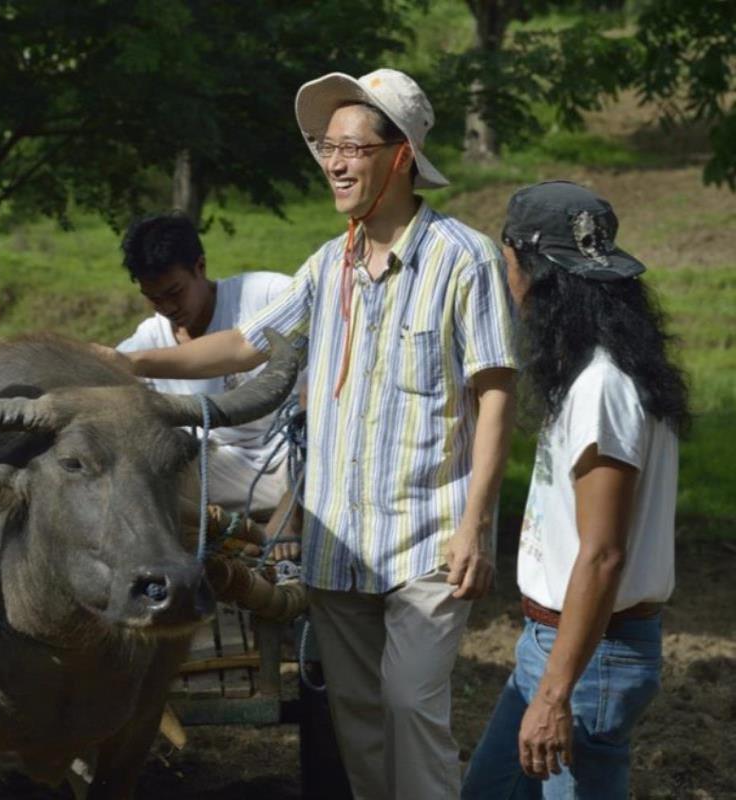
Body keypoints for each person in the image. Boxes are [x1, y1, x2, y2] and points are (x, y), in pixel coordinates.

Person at [117, 68, 517, 798]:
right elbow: (244, 345)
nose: (333, 163)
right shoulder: (327, 266)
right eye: (327, 148)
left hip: (428, 540)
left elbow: (496, 395)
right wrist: (124, 363)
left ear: (401, 155)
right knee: (358, 723)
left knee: (411, 706)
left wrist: (476, 524)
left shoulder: (465, 259)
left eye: (352, 148)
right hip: (339, 550)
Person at [461, 181, 686, 799]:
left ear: (538, 278)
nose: (508, 287)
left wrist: (555, 694)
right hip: (563, 645)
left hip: (590, 656)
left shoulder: (602, 389)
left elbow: (603, 554)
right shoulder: (604, 373)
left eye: (510, 267)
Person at [116, 212, 294, 520]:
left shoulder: (266, 294)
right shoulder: (145, 343)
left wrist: (292, 506)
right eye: (154, 299)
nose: (167, 307)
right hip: (221, 473)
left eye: (175, 293)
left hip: (294, 460)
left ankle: (293, 512)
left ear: (200, 267)